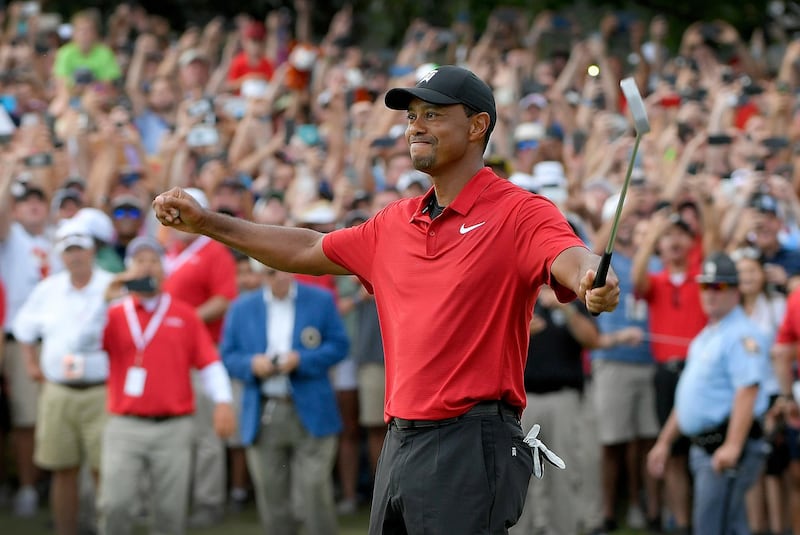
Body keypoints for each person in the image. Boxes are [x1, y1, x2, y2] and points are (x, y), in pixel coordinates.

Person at [153, 64, 620, 534]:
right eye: (412, 115)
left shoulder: (520, 211)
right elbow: (306, 247)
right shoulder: (394, 223)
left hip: (470, 441)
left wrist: (590, 280)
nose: (416, 125)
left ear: (478, 126)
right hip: (400, 441)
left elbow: (571, 256)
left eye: (433, 114)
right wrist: (208, 223)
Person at [96, 236, 235, 535]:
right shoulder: (113, 313)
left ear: (165, 269)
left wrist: (223, 401)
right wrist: (102, 301)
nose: (147, 267)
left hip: (173, 427)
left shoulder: (184, 314)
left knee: (170, 514)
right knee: (116, 505)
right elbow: (83, 344)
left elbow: (209, 363)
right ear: (128, 269)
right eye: (140, 260)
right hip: (125, 425)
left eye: (154, 260)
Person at [647, 252, 771, 535]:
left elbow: (747, 391)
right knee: (724, 525)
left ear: (735, 291)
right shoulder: (708, 334)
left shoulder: (741, 334)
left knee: (715, 526)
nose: (710, 294)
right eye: (705, 286)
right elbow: (691, 397)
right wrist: (665, 441)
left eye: (719, 287)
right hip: (704, 447)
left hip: (724, 446)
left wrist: (733, 446)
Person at [220, 264, 349, 535]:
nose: (279, 277)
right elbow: (228, 355)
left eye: (282, 270)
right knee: (271, 496)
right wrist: (251, 364)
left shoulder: (320, 299)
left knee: (315, 492)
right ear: (259, 276)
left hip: (311, 406)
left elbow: (340, 345)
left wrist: (301, 359)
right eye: (270, 272)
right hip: (264, 408)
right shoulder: (242, 307)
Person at [12, 218, 112, 535]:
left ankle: (105, 528)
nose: (75, 256)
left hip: (102, 390)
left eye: (80, 249)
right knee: (62, 469)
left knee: (104, 470)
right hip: (58, 390)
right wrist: (30, 364)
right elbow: (23, 329)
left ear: (92, 250)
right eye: (69, 251)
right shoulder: (48, 289)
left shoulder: (112, 285)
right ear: (61, 255)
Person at [509, 285, 599, 535]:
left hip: (564, 398)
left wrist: (566, 310)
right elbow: (494, 343)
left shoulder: (573, 297)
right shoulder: (517, 295)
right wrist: (522, 331)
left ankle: (564, 529)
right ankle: (522, 530)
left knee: (564, 470)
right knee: (519, 472)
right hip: (522, 400)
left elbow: (592, 340)